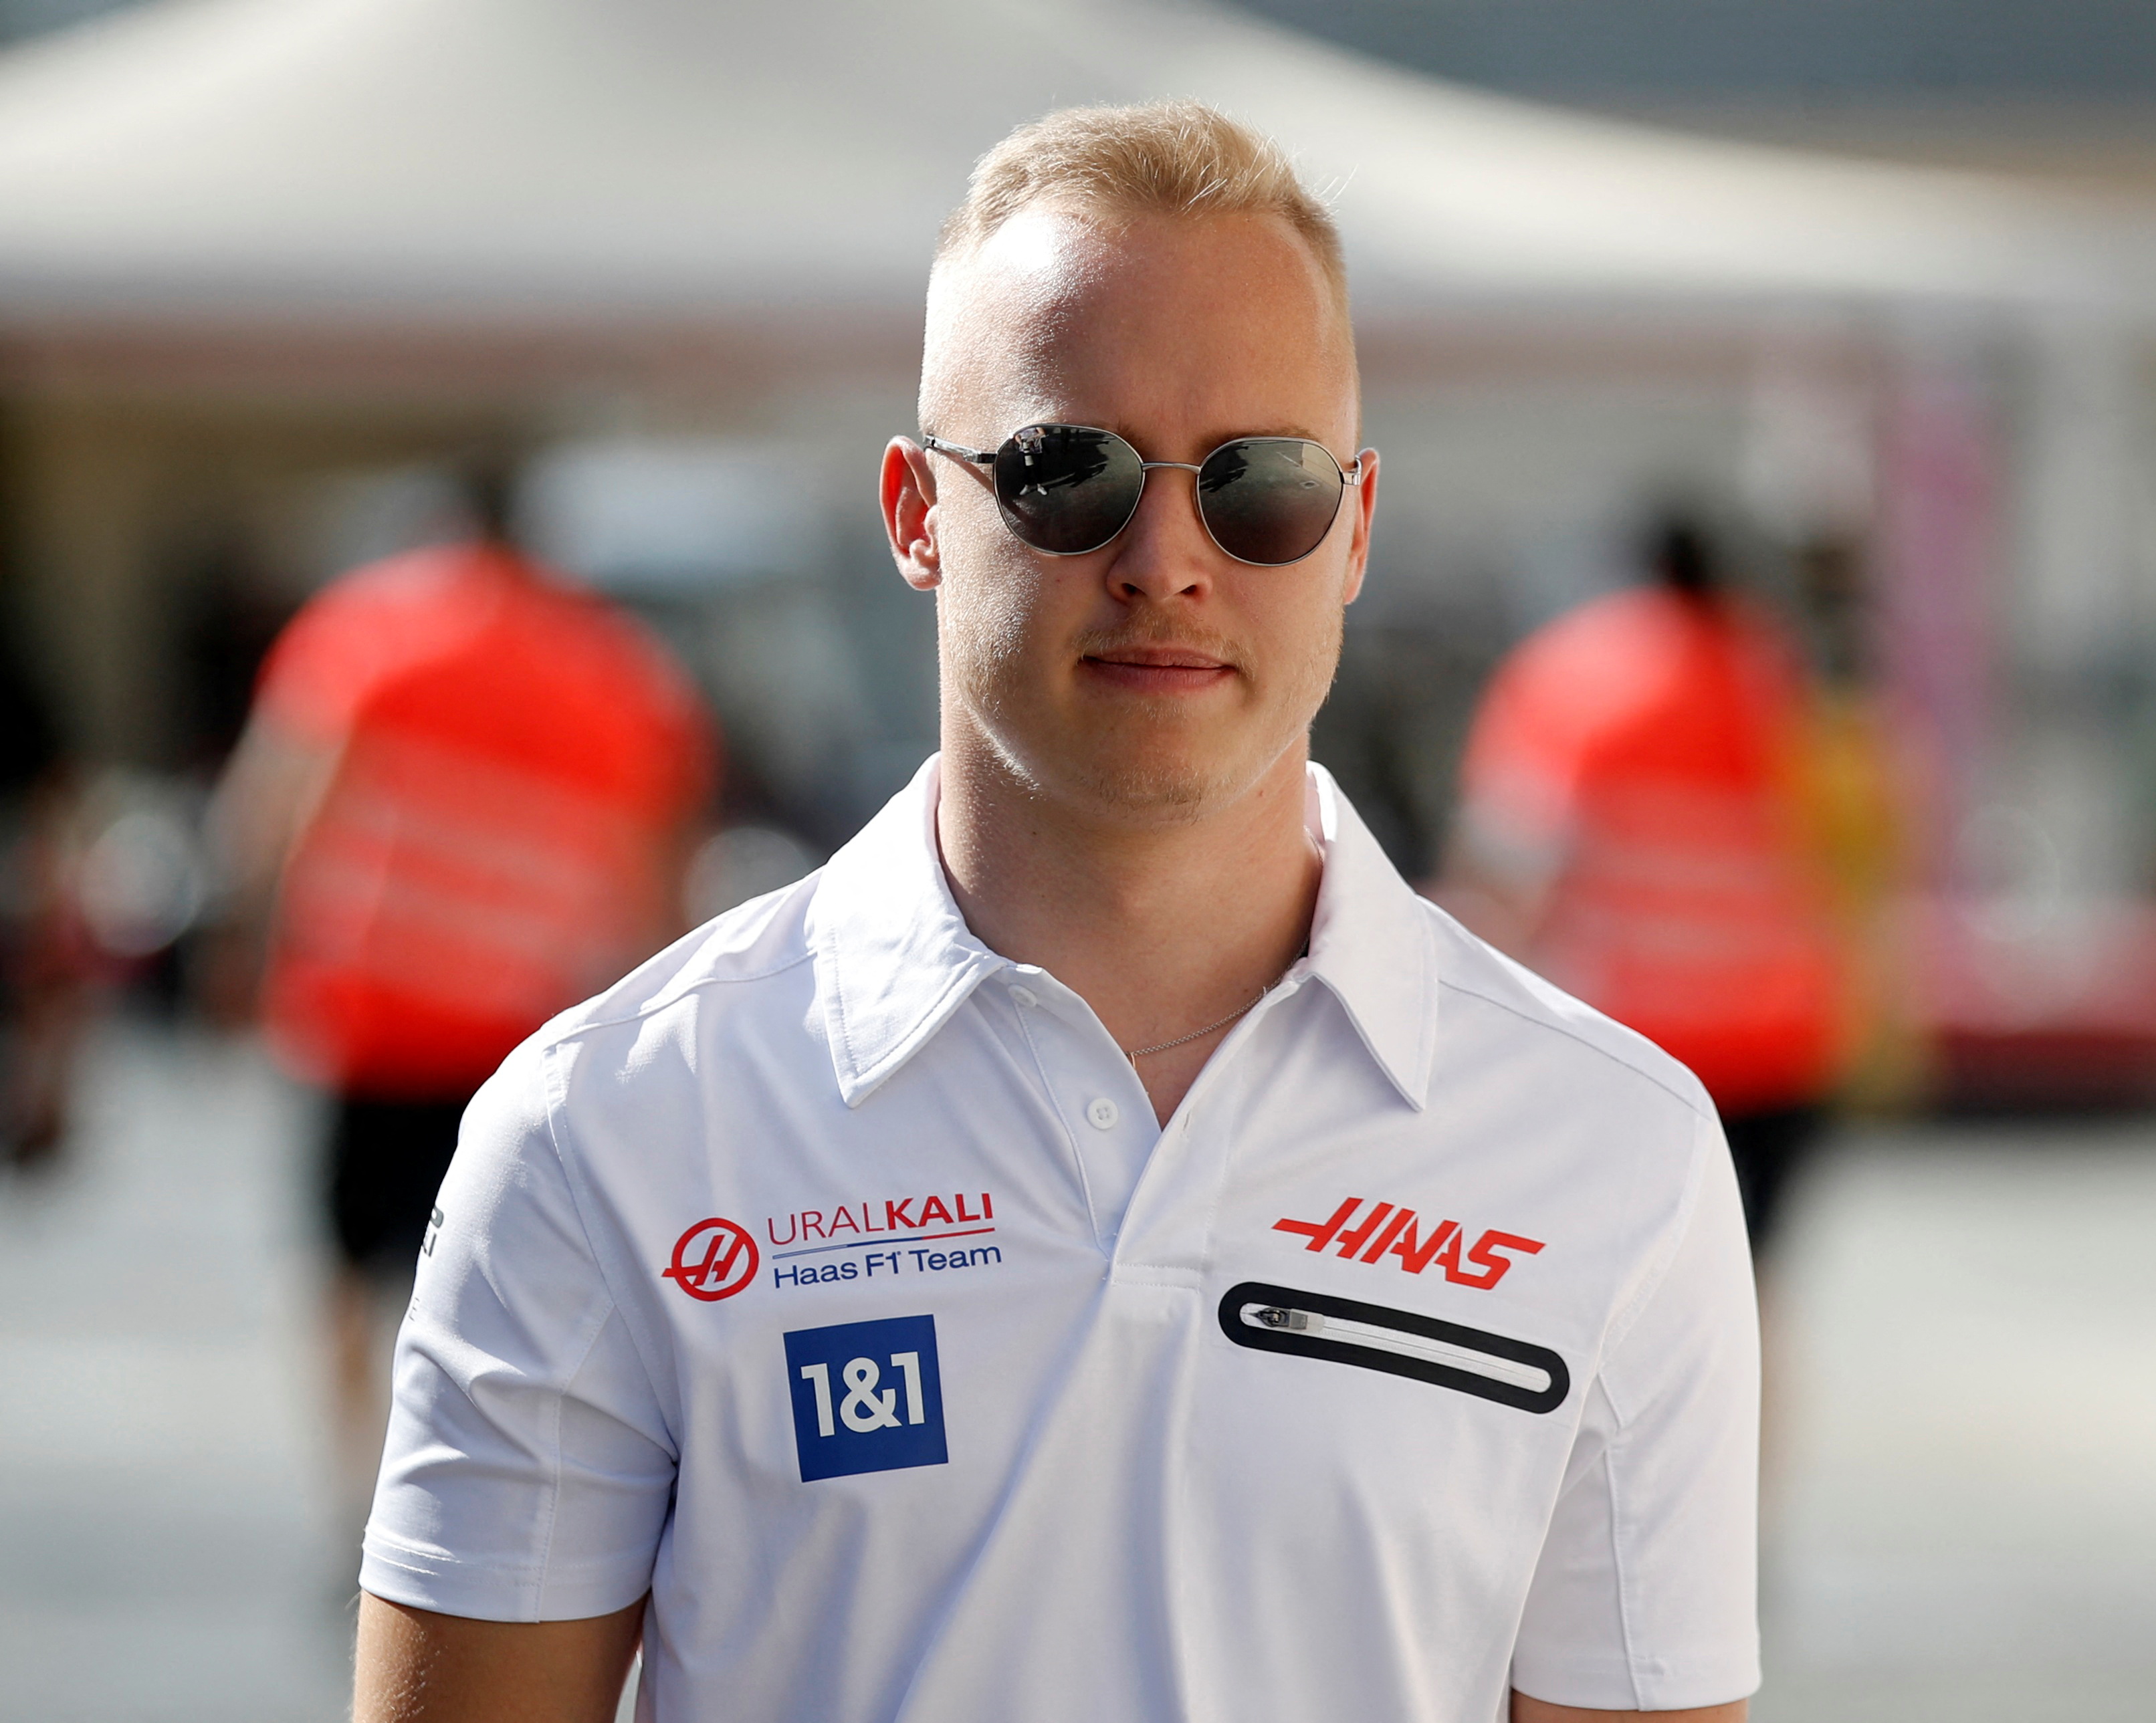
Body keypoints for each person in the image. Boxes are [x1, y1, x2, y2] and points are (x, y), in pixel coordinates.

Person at [354, 104, 1758, 1723]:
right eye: (1065, 470)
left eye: (1262, 484)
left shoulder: (1613, 1153)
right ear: (915, 513)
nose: (1167, 558)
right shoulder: (604, 1129)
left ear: (1354, 528)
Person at [210, 466, 715, 1514]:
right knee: (509, 1278)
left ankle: (360, 1497)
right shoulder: (608, 661)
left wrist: (236, 949)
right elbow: (660, 862)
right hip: (519, 1033)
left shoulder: (367, 629)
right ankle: (475, 1492)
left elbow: (270, 807)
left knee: (346, 1273)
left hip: (369, 1016)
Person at [1443, 518, 1854, 1260]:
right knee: (1746, 1286)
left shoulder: (1573, 673)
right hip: (1781, 1040)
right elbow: (1851, 847)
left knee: (1612, 1286)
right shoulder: (1779, 675)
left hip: (1627, 1043)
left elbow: (1509, 863)